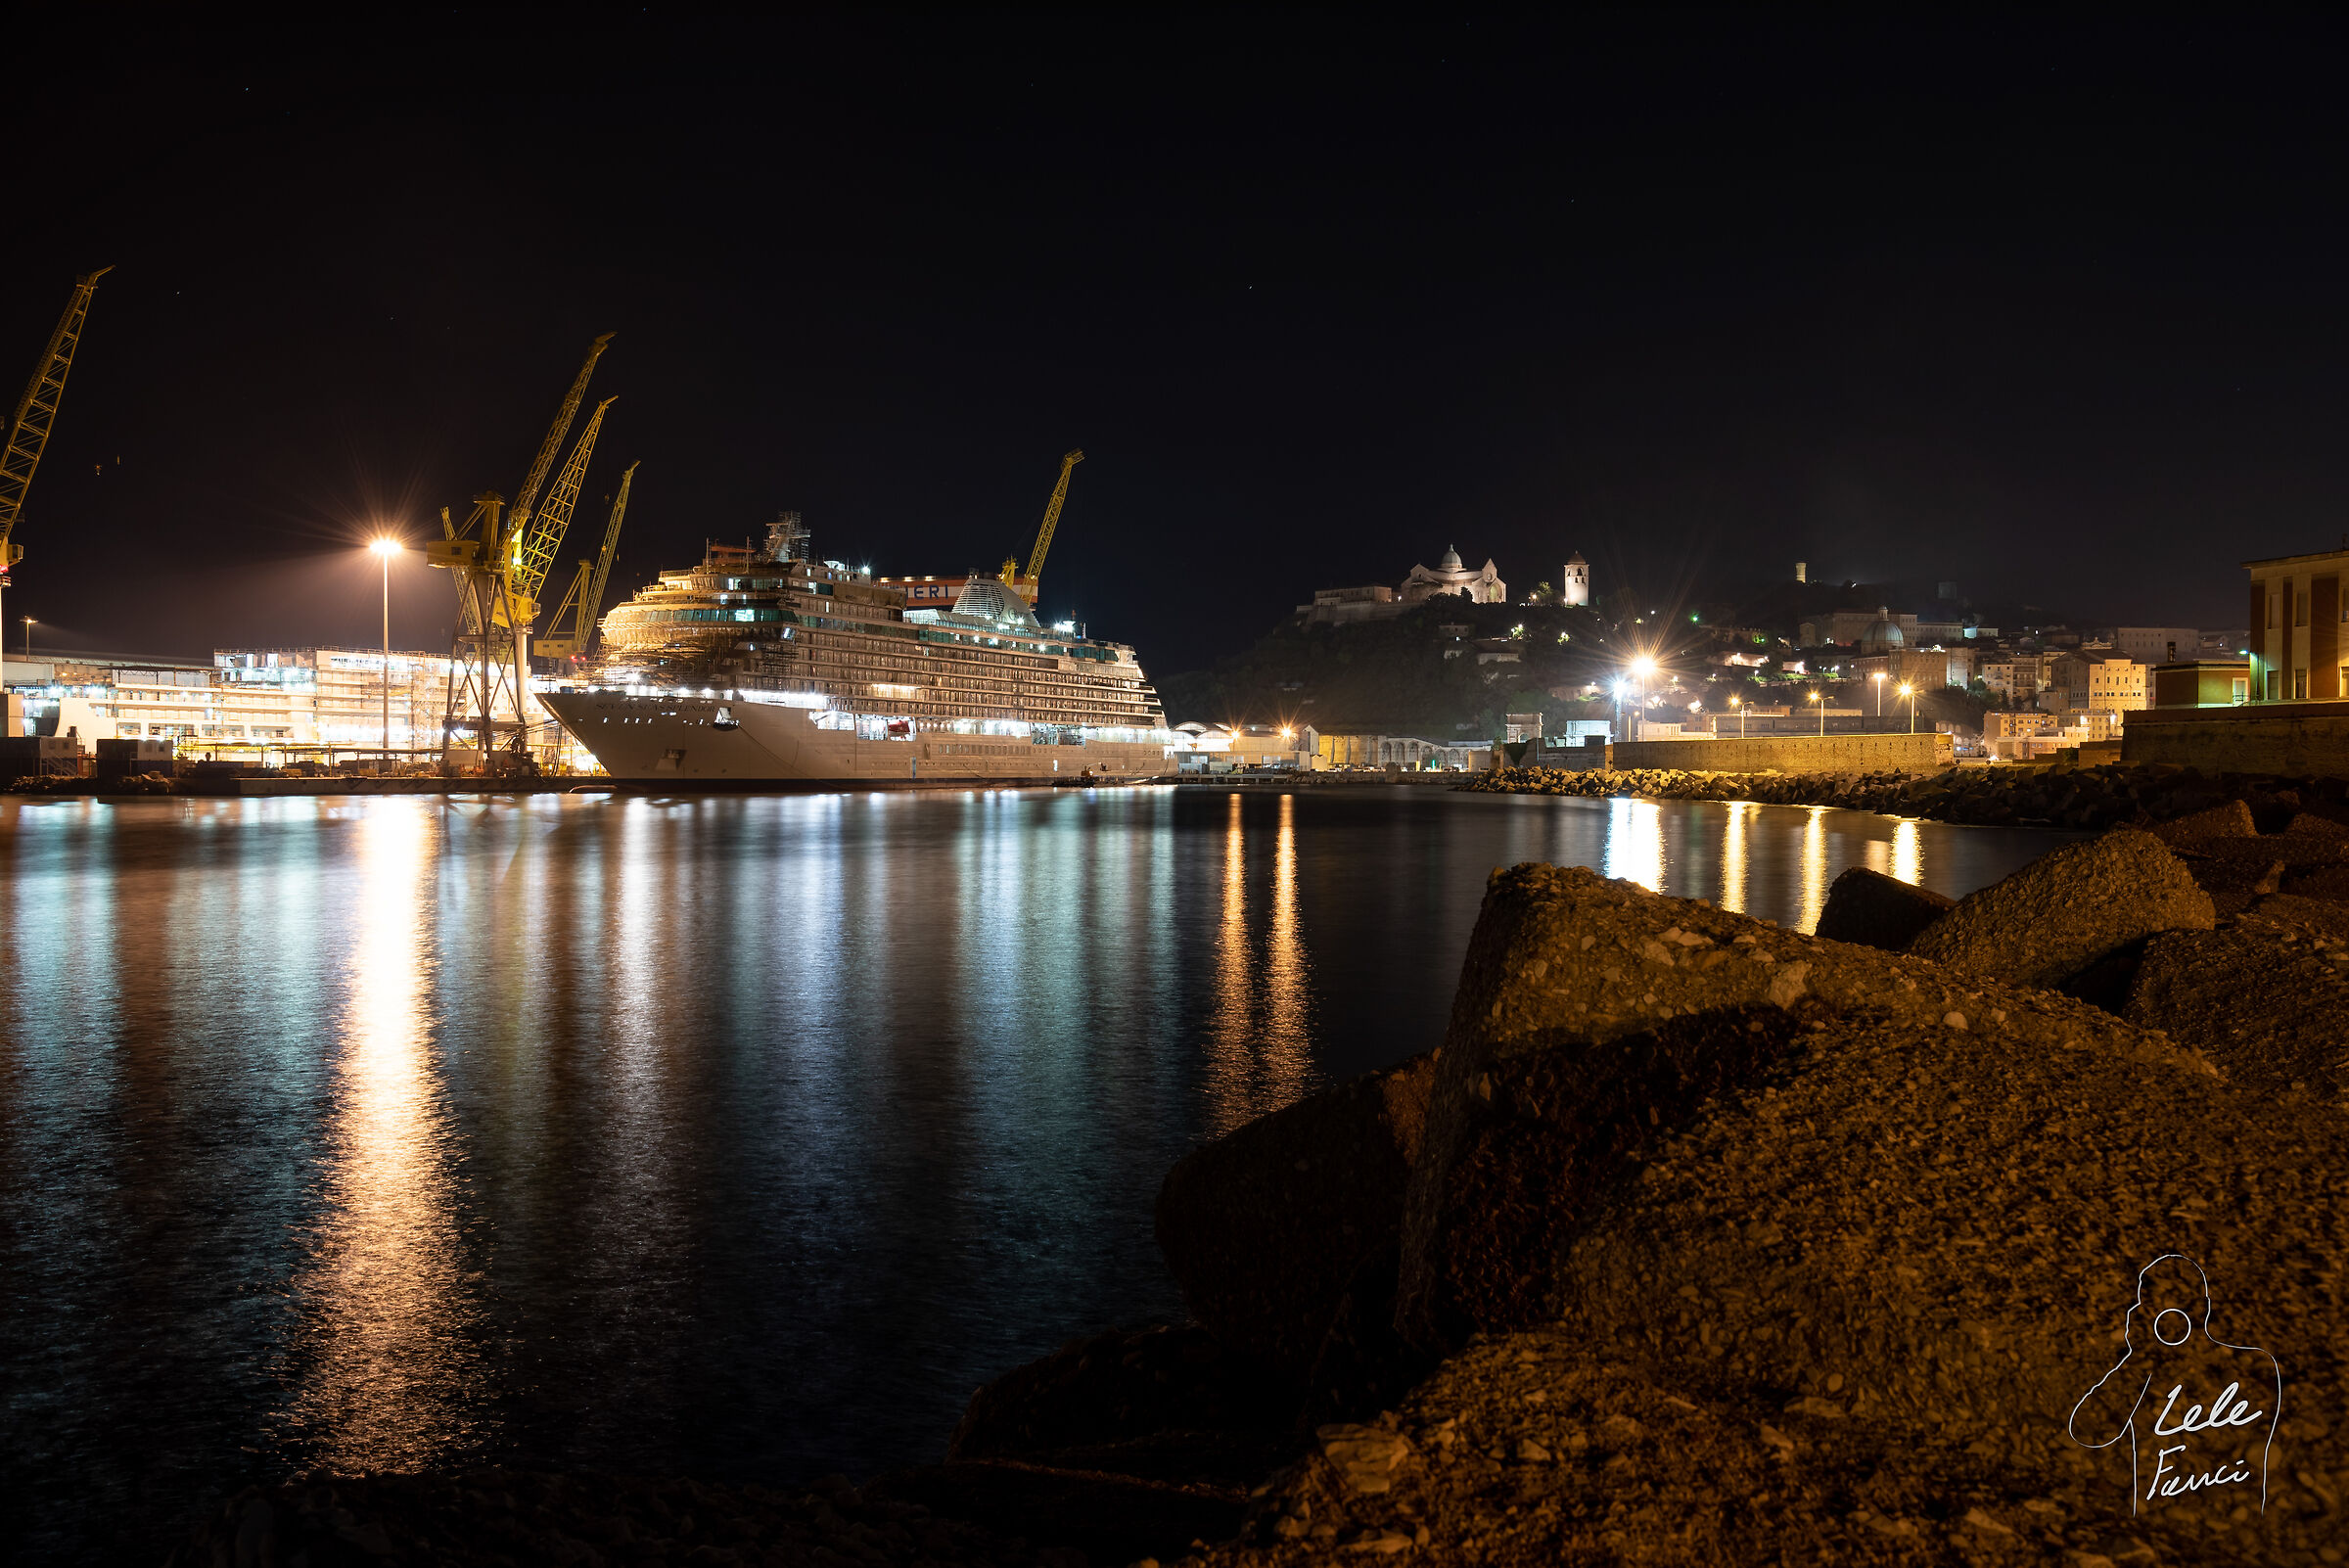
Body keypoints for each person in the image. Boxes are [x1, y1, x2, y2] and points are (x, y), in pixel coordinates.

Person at [2068, 1254, 2280, 1516]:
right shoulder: (2145, 1373)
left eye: (2155, 1308)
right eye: (2141, 1306)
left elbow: (2084, 1432)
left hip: (2199, 1512)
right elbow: (2083, 1431)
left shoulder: (2239, 1366)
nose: (2138, 1314)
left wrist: (2136, 1359)